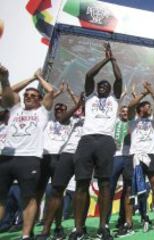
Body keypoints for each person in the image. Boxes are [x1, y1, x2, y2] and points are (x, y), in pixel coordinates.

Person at [70, 43, 122, 240]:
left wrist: (113, 59)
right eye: (101, 85)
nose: (103, 86)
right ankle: (78, 228)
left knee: (105, 183)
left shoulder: (114, 99)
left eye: (106, 86)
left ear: (111, 90)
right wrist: (105, 59)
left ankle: (104, 226)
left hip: (106, 141)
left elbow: (119, 78)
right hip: (86, 140)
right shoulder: (90, 98)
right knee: (82, 183)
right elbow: (89, 76)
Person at [0, 65, 54, 239]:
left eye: (33, 96)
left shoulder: (42, 112)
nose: (29, 97)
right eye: (26, 96)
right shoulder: (15, 109)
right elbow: (7, 93)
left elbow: (51, 91)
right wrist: (5, 79)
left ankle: (25, 235)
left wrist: (39, 78)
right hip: (7, 156)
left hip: (29, 158)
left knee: (29, 198)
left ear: (39, 100)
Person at [35, 88, 85, 240]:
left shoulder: (76, 121)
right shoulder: (52, 122)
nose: (60, 111)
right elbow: (64, 113)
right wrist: (74, 102)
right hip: (50, 157)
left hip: (66, 157)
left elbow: (78, 108)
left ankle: (66, 227)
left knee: (72, 192)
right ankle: (43, 229)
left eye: (63, 108)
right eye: (57, 108)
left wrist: (76, 99)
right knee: (51, 192)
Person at [121, 81, 154, 235]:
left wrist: (151, 89)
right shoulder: (133, 119)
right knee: (129, 189)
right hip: (135, 156)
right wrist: (143, 94)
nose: (150, 108)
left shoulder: (153, 121)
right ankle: (129, 223)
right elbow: (132, 105)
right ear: (140, 109)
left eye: (149, 107)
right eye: (147, 106)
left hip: (151, 155)